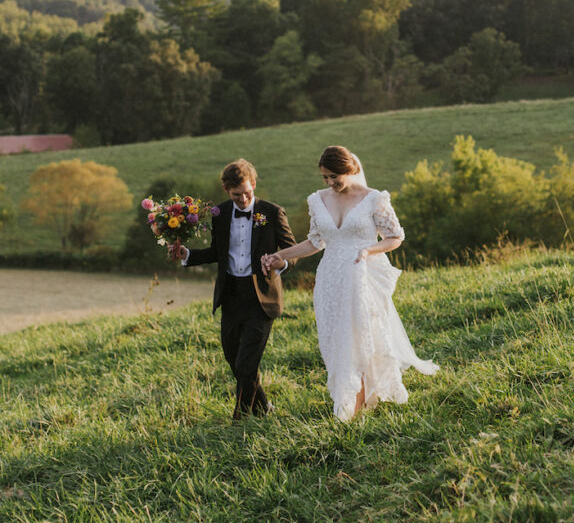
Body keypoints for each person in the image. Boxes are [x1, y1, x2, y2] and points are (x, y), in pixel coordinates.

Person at [262, 145, 439, 421]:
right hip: (331, 278)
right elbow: (315, 242)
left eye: (335, 176)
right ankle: (355, 401)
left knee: (359, 338)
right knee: (335, 341)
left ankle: (352, 409)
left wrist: (368, 250)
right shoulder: (317, 200)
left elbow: (395, 237)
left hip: (361, 274)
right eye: (325, 177)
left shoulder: (374, 199)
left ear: (351, 170)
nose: (331, 183)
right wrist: (280, 255)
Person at [175, 159, 296, 420]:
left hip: (261, 296)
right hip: (230, 295)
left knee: (246, 362)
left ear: (253, 184)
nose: (242, 199)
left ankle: (240, 418)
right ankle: (263, 408)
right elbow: (216, 252)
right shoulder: (219, 214)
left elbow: (291, 250)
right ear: (225, 191)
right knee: (233, 358)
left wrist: (280, 261)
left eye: (247, 192)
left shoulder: (273, 212)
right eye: (236, 195)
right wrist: (187, 254)